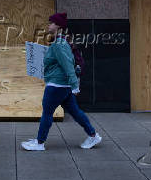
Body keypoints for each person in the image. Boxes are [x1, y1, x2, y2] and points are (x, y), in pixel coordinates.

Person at [21, 12, 101, 151]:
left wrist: (75, 86)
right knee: (75, 112)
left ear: (58, 26)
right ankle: (93, 135)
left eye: (51, 23)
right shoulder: (60, 41)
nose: (48, 25)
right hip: (62, 85)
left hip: (57, 85)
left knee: (47, 113)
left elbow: (68, 65)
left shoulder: (59, 44)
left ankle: (39, 143)